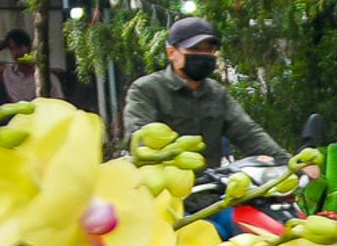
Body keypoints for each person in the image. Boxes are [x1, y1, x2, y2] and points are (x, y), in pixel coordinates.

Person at [122, 18, 290, 164]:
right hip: (165, 194)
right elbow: (138, 140)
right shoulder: (146, 90)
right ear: (172, 53)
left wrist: (288, 163)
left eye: (209, 50)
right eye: (194, 49)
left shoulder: (217, 93)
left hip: (213, 194)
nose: (203, 55)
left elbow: (247, 133)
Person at [0, 28, 62, 105]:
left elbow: (60, 103)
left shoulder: (47, 77)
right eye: (12, 49)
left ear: (29, 48)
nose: (17, 52)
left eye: (19, 47)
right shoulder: (7, 72)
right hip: (16, 118)